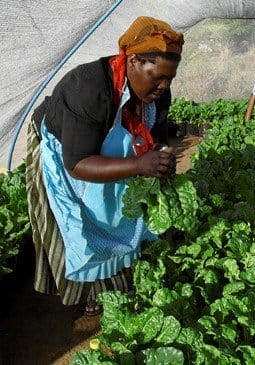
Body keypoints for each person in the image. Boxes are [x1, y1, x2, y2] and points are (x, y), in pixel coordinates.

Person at [26, 16, 184, 316]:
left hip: (117, 155)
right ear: (134, 60)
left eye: (170, 79)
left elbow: (158, 137)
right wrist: (137, 164)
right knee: (81, 223)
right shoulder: (88, 87)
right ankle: (90, 295)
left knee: (120, 217)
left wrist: (162, 156)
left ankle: (121, 280)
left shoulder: (156, 95)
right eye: (157, 77)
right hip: (68, 152)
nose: (163, 86)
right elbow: (78, 164)